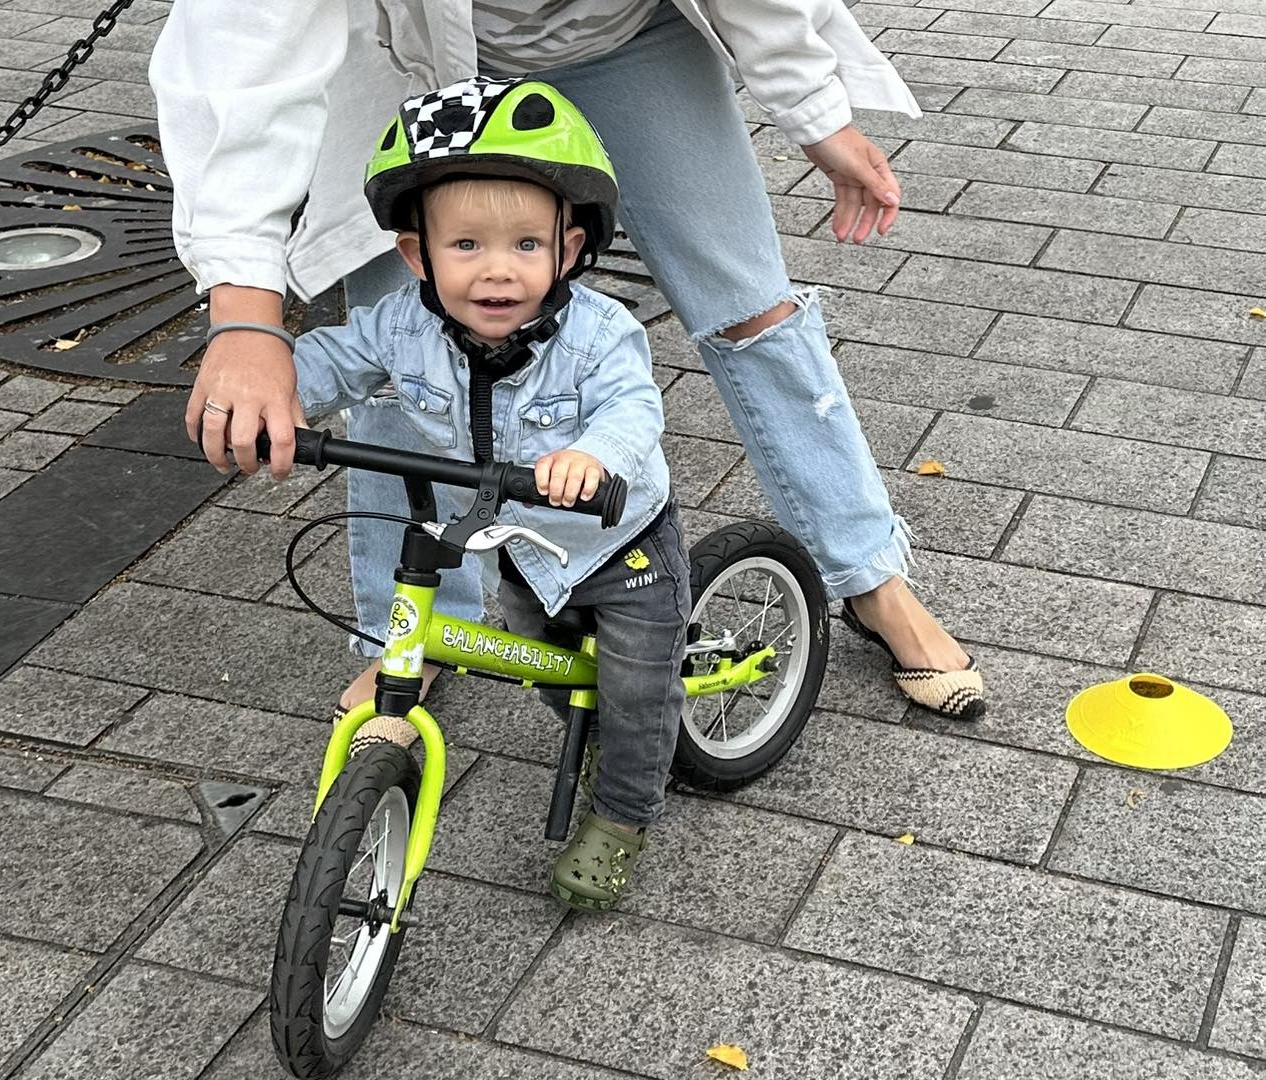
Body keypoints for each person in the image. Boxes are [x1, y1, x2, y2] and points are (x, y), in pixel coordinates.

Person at [150, 0, 987, 723]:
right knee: (400, 342)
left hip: (622, 34)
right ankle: (418, 629)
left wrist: (813, 108)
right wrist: (246, 318)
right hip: (405, 54)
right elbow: (240, 38)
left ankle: (870, 577)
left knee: (752, 307)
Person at [281, 78, 689, 911]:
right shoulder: (403, 325)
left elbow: (633, 406)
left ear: (568, 249)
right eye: (466, 245)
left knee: (637, 687)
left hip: (619, 542)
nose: (498, 270)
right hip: (518, 546)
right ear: (416, 255)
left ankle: (623, 814)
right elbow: (330, 363)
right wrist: (267, 395)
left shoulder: (600, 334)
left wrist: (591, 454)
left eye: (525, 247)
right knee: (547, 664)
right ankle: (605, 734)